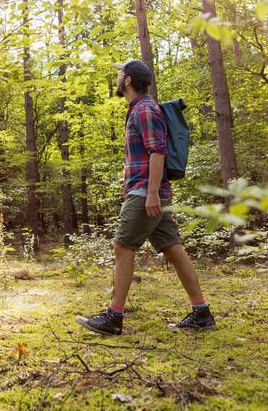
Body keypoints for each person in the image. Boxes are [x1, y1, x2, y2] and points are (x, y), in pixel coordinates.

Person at [75, 59, 215, 335]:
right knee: (173, 248)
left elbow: (158, 151)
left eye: (119, 75)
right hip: (149, 192)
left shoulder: (146, 109)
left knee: (123, 247)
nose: (117, 79)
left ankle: (113, 317)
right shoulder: (139, 109)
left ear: (127, 80)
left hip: (145, 193)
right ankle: (202, 312)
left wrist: (151, 194)